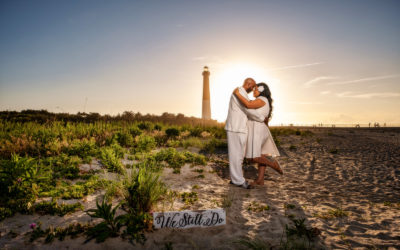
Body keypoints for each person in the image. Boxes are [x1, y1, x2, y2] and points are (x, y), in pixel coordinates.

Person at [233, 82, 282, 186]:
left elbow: (248, 105)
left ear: (261, 90)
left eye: (255, 89)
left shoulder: (262, 100)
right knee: (260, 155)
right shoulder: (260, 101)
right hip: (258, 129)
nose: (253, 91)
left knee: (253, 156)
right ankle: (260, 180)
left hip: (257, 130)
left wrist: (238, 94)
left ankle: (273, 163)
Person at [225, 78, 266, 189]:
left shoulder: (241, 93)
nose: (253, 90)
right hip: (235, 128)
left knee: (238, 156)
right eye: (252, 87)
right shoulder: (239, 92)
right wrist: (262, 118)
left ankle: (236, 179)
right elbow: (248, 109)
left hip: (239, 128)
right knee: (236, 156)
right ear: (248, 84)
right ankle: (238, 181)